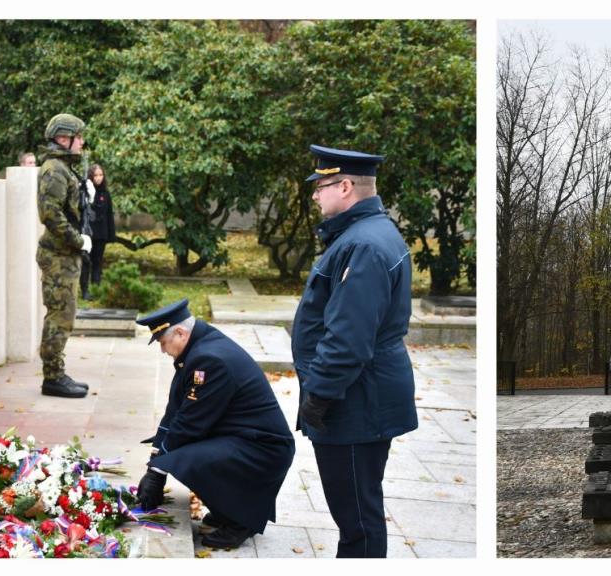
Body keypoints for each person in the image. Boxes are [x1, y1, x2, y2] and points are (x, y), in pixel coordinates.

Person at [291, 144, 418, 558]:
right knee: (358, 512)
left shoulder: (363, 245)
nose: (315, 194)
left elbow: (348, 338)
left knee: (358, 520)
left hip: (354, 401)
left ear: (345, 186)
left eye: (321, 186)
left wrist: (319, 396)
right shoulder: (364, 235)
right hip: (358, 395)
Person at [133, 299, 295, 550]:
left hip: (263, 450)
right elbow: (175, 411)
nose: (163, 350)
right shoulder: (198, 348)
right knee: (176, 453)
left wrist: (158, 471)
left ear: (180, 333)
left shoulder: (208, 359)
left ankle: (241, 522)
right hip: (244, 439)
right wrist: (155, 461)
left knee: (183, 458)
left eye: (163, 342)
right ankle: (228, 511)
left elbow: (189, 424)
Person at [37, 113, 92, 398]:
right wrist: (78, 240)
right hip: (58, 255)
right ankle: (53, 377)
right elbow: (50, 215)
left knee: (65, 314)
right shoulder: (55, 169)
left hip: (65, 255)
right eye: (77, 137)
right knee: (60, 316)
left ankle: (56, 373)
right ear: (62, 138)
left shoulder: (64, 168)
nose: (81, 142)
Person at [84, 163, 117, 288]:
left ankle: (96, 287)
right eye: (95, 175)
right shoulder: (86, 193)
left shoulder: (106, 194)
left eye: (101, 175)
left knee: (97, 261)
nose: (98, 178)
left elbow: (109, 214)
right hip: (88, 233)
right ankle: (84, 288)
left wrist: (111, 235)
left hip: (101, 233)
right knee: (86, 261)